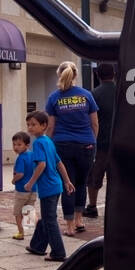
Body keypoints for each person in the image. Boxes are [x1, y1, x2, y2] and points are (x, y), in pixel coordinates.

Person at [45, 61, 98, 236]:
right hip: (86, 145)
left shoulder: (54, 98)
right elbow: (95, 123)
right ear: (75, 75)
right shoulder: (86, 95)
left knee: (68, 184)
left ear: (59, 74)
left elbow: (51, 127)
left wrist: (48, 147)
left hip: (62, 145)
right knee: (81, 183)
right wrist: (92, 142)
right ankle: (79, 220)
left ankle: (69, 226)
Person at [23, 112, 74, 262]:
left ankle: (58, 253)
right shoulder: (48, 141)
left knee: (49, 219)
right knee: (46, 217)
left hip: (48, 187)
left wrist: (30, 182)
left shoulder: (38, 143)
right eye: (28, 125)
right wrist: (67, 181)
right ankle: (37, 246)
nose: (30, 128)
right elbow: (59, 163)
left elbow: (42, 164)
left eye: (33, 124)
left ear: (44, 126)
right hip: (56, 185)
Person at [84, 61, 117, 219]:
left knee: (95, 176)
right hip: (121, 143)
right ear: (114, 74)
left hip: (100, 143)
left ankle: (92, 206)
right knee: (117, 177)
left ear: (97, 75)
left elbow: (89, 121)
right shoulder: (123, 92)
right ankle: (117, 208)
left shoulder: (93, 94)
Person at [10, 132, 36, 241]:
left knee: (17, 212)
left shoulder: (21, 158)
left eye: (19, 144)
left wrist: (13, 180)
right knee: (29, 211)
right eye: (14, 144)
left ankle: (21, 233)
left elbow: (20, 174)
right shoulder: (32, 155)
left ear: (27, 145)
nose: (16, 147)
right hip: (33, 189)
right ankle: (33, 231)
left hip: (21, 190)